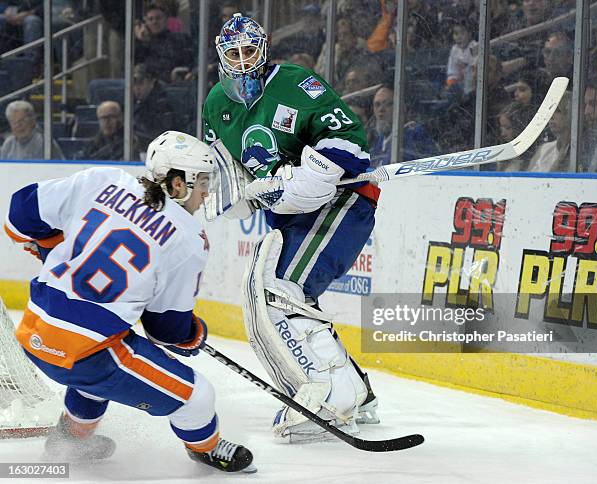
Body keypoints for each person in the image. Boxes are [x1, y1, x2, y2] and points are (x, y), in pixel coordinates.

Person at [3, 131, 256, 473]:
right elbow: (164, 329)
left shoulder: (103, 179)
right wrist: (192, 334)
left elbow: (20, 212)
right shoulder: (189, 238)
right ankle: (207, 449)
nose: (206, 192)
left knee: (101, 373)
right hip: (89, 353)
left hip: (36, 331)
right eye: (203, 183)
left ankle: (72, 439)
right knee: (198, 397)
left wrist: (50, 249)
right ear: (177, 184)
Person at [202, 13, 380, 443]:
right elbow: (230, 171)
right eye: (233, 54)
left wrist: (314, 171)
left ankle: (334, 396)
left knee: (283, 291)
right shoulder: (216, 105)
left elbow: (351, 139)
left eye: (249, 52)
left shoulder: (296, 82)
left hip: (341, 201)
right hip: (287, 217)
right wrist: (233, 194)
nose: (243, 62)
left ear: (262, 51)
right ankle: (356, 393)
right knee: (272, 296)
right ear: (221, 56)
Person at [368, 85, 440, 168]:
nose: (381, 109)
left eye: (388, 104)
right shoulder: (379, 139)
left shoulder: (415, 134)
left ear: (403, 107)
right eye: (377, 105)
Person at [133, 63, 176, 154]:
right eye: (134, 84)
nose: (137, 88)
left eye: (140, 83)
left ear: (152, 81)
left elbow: (161, 135)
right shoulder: (134, 102)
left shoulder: (163, 105)